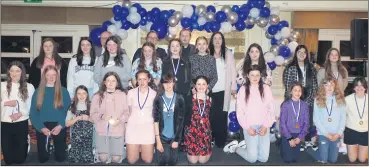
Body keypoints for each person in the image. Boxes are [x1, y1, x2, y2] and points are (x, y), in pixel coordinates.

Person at [223, 65, 275, 163]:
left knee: (263, 158)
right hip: (250, 126)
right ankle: (235, 148)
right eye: (252, 75)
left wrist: (265, 126)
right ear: (248, 76)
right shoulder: (243, 90)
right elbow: (240, 112)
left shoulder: (266, 88)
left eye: (257, 75)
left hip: (264, 126)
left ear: (260, 76)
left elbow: (271, 109)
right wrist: (248, 128)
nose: (255, 78)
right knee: (252, 159)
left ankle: (249, 147)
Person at [29, 65, 71, 163]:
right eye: (48, 75)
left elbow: (67, 111)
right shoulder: (38, 92)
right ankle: (48, 147)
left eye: (54, 75)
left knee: (61, 159)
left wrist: (60, 125)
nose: (51, 78)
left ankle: (58, 146)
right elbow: (33, 113)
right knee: (43, 159)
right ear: (44, 76)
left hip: (59, 124)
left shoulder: (64, 91)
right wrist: (41, 128)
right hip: (42, 124)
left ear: (57, 76)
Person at [283, 45, 318, 149]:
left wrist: (309, 100)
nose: (302, 54)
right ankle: (297, 141)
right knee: (295, 122)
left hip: (309, 99)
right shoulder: (290, 67)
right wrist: (291, 100)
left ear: (306, 55)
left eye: (304, 52)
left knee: (308, 122)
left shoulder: (311, 67)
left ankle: (307, 140)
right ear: (296, 54)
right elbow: (288, 85)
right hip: (294, 99)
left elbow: (314, 85)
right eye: (299, 52)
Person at [90, 72, 129, 164]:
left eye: (113, 81)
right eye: (108, 80)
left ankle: (120, 152)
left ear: (117, 83)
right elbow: (92, 114)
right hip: (102, 131)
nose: (110, 83)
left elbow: (127, 113)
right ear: (104, 82)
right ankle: (100, 154)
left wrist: (119, 121)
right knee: (103, 158)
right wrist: (102, 116)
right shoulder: (97, 96)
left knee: (115, 159)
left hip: (117, 129)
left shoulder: (123, 95)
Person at [1, 61, 35, 165]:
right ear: (8, 72)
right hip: (5, 122)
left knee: (20, 159)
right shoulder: (2, 85)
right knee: (8, 160)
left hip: (21, 121)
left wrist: (21, 113)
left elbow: (30, 107)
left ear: (22, 72)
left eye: (17, 71)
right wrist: (5, 103)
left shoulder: (29, 87)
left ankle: (26, 144)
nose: (14, 74)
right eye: (12, 71)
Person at [208, 32, 237, 148]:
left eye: (219, 38)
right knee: (210, 116)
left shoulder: (228, 53)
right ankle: (210, 140)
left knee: (221, 116)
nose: (217, 40)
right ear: (212, 40)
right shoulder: (207, 52)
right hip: (209, 90)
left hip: (223, 90)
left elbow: (233, 71)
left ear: (222, 40)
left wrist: (234, 87)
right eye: (215, 38)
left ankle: (220, 142)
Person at [309, 78, 346, 164]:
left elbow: (343, 118)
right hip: (323, 134)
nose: (329, 87)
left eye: (331, 85)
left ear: (335, 87)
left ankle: (324, 148)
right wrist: (326, 134)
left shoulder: (340, 99)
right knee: (324, 160)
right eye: (326, 85)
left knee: (333, 160)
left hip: (336, 134)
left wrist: (339, 133)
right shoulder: (317, 99)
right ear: (323, 87)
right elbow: (316, 119)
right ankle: (312, 150)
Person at [153, 73, 185, 165]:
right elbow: (155, 121)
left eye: (170, 83)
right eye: (165, 83)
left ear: (174, 83)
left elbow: (181, 121)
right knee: (163, 162)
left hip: (174, 136)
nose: (168, 86)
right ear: (162, 84)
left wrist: (177, 140)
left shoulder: (180, 98)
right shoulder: (158, 99)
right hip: (162, 137)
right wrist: (158, 141)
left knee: (172, 162)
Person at [126, 70, 157, 164]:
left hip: (148, 127)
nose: (142, 82)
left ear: (149, 79)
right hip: (133, 126)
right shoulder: (130, 93)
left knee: (147, 160)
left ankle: (144, 148)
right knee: (131, 161)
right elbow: (129, 111)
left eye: (144, 79)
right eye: (139, 79)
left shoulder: (154, 94)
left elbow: (155, 114)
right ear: (136, 80)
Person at [184, 76, 212, 164]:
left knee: (202, 161)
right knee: (193, 161)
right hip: (192, 131)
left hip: (204, 131)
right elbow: (185, 116)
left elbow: (211, 116)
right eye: (198, 84)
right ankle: (191, 150)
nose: (201, 86)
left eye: (204, 84)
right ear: (195, 86)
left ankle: (208, 148)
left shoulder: (210, 99)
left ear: (207, 86)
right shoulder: (189, 99)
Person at [279, 82, 310, 163]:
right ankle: (281, 144)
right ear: (291, 92)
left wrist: (300, 137)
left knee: (295, 160)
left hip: (298, 135)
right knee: (287, 160)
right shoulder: (285, 105)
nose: (298, 92)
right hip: (287, 134)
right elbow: (282, 123)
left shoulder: (304, 105)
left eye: (299, 90)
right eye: (295, 90)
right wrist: (289, 138)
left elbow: (306, 123)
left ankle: (286, 145)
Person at [66, 85, 94, 163]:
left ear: (87, 94)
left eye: (84, 93)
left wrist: (88, 118)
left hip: (88, 137)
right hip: (76, 137)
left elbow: (97, 121)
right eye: (79, 93)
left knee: (87, 159)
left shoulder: (91, 105)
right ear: (76, 95)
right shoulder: (72, 106)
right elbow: (67, 124)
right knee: (75, 159)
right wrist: (77, 118)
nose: (81, 96)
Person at [344, 77, 368, 163]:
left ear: (366, 87)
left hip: (365, 132)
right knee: (352, 159)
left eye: (362, 85)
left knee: (362, 160)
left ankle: (360, 149)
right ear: (354, 87)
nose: (359, 88)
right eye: (357, 86)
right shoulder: (347, 99)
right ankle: (354, 148)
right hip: (351, 131)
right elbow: (343, 116)